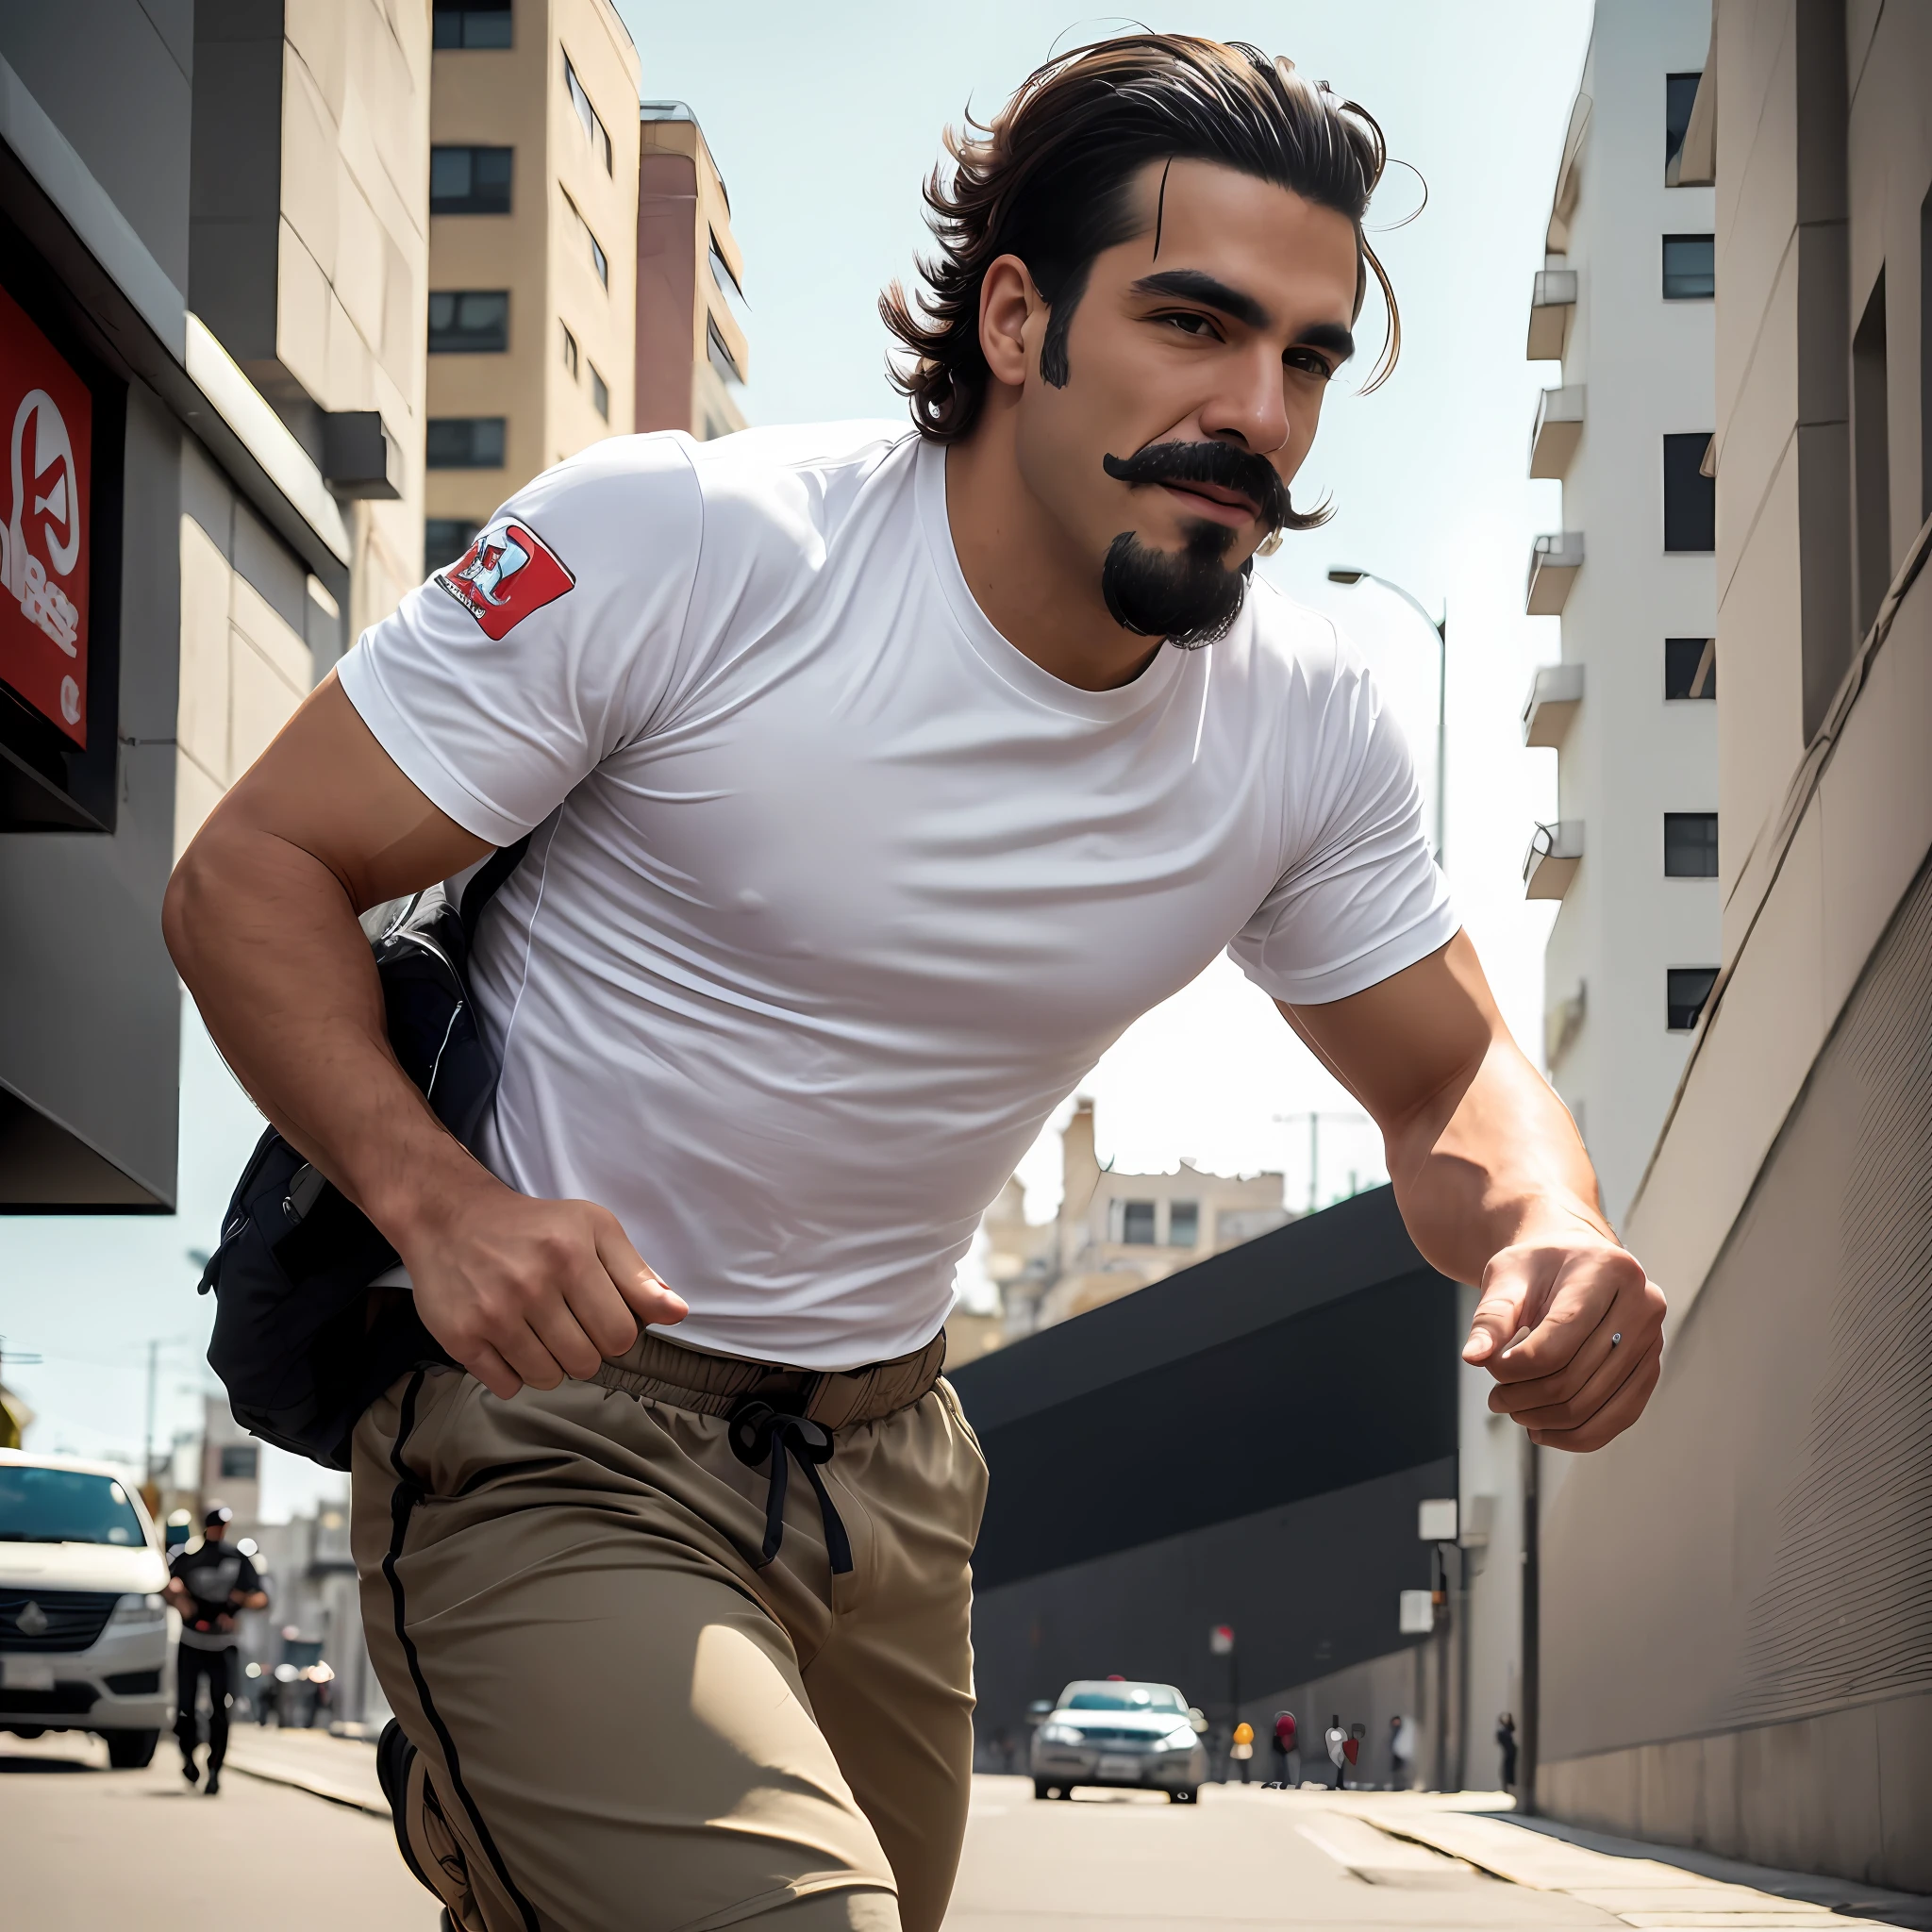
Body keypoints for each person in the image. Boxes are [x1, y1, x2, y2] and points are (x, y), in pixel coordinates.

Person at [163, 33, 1666, 1932]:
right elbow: (249, 873)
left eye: (1304, 357)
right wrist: (438, 1202)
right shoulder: (691, 546)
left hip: (891, 1476)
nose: (1260, 409)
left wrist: (1544, 1217)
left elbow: (1446, 1075)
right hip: (548, 1434)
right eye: (1194, 324)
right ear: (1018, 319)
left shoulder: (1301, 722)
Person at [165, 1507, 268, 1796]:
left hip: (223, 1645)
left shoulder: (237, 1558)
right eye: (215, 1524)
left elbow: (260, 1597)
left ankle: (214, 1770)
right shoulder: (187, 1558)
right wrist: (177, 1597)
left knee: (221, 1710)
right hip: (191, 1642)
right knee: (185, 1708)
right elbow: (166, 1586)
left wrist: (241, 1605)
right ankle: (188, 1756)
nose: (219, 1529)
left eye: (224, 1525)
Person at [1269, 1710, 1299, 1788]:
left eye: (1289, 1738)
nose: (1287, 1742)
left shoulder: (1293, 1756)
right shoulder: (1276, 1751)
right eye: (1284, 1739)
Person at [1390, 1712, 1415, 1790]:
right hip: (1397, 1753)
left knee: (1401, 1770)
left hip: (1402, 1753)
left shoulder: (1403, 1730)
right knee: (1397, 1770)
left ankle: (1402, 1785)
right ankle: (1398, 1785)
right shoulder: (1397, 1730)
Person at [1497, 1712, 1520, 1794]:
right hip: (1508, 1752)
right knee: (1506, 1770)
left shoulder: (1506, 1729)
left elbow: (1512, 1727)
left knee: (1509, 1770)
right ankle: (1507, 1786)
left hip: (1511, 1752)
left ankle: (1510, 1785)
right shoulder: (1501, 1731)